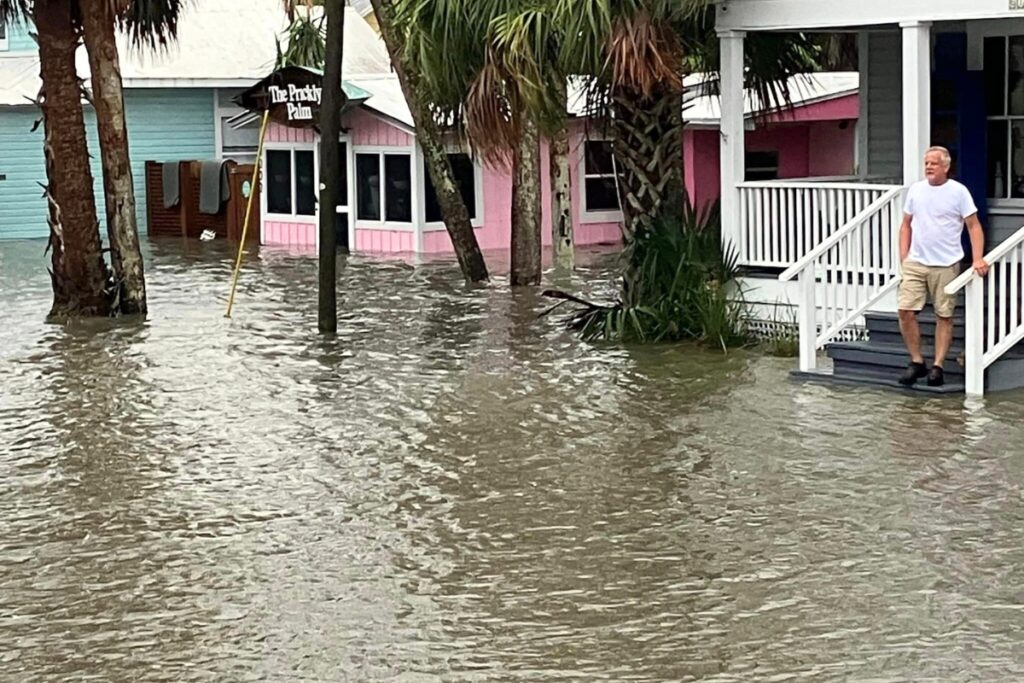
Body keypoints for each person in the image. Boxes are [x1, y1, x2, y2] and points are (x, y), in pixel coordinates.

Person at [897, 147, 989, 387]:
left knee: (944, 315)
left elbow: (974, 226)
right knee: (905, 311)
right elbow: (906, 224)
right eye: (926, 163)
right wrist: (904, 257)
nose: (928, 167)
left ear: (946, 167)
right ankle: (917, 361)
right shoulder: (916, 190)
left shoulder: (958, 192)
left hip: (946, 263)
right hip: (916, 261)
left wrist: (978, 258)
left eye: (933, 163)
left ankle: (937, 366)